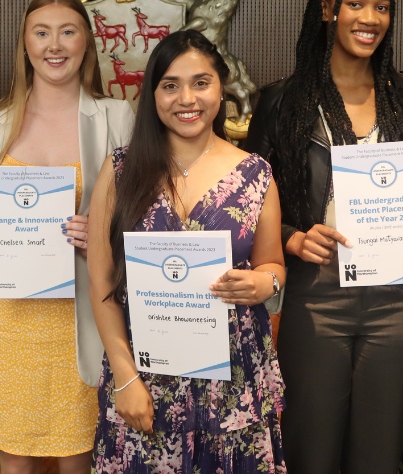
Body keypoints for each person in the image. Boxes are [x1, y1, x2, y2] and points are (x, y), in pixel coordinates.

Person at [244, 0, 403, 474]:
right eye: (356, 3)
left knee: (378, 453)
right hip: (316, 298)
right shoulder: (282, 102)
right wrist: (295, 239)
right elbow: (248, 207)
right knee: (311, 449)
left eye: (382, 6)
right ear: (327, 8)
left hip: (396, 302)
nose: (370, 18)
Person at [0, 0, 134, 474]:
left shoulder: (117, 118)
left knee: (78, 462)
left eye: (68, 31)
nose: (55, 45)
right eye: (42, 32)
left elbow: (141, 217)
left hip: (81, 317)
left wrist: (102, 234)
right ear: (25, 43)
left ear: (87, 43)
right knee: (15, 465)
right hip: (6, 319)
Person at [86, 30, 287, 473]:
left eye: (200, 82)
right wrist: (124, 378)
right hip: (147, 381)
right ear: (153, 93)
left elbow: (274, 265)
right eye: (170, 85)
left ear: (221, 87)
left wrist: (262, 282)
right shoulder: (121, 170)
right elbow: (100, 283)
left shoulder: (256, 174)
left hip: (234, 384)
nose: (186, 98)